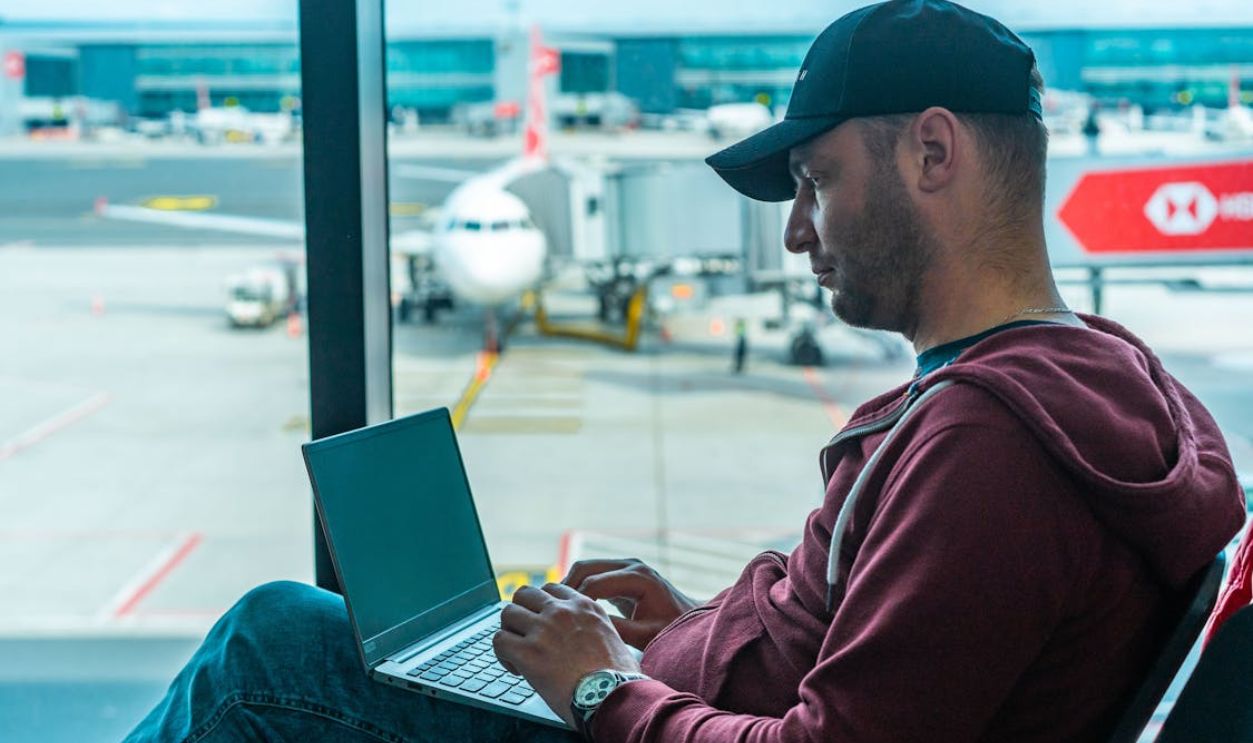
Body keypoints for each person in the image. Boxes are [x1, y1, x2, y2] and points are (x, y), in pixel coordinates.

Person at [126, 1, 1246, 741]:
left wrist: (603, 683)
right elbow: (886, 657)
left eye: (815, 180)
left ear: (932, 153)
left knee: (267, 643)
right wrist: (693, 625)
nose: (798, 234)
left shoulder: (988, 448)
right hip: (681, 691)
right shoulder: (1109, 371)